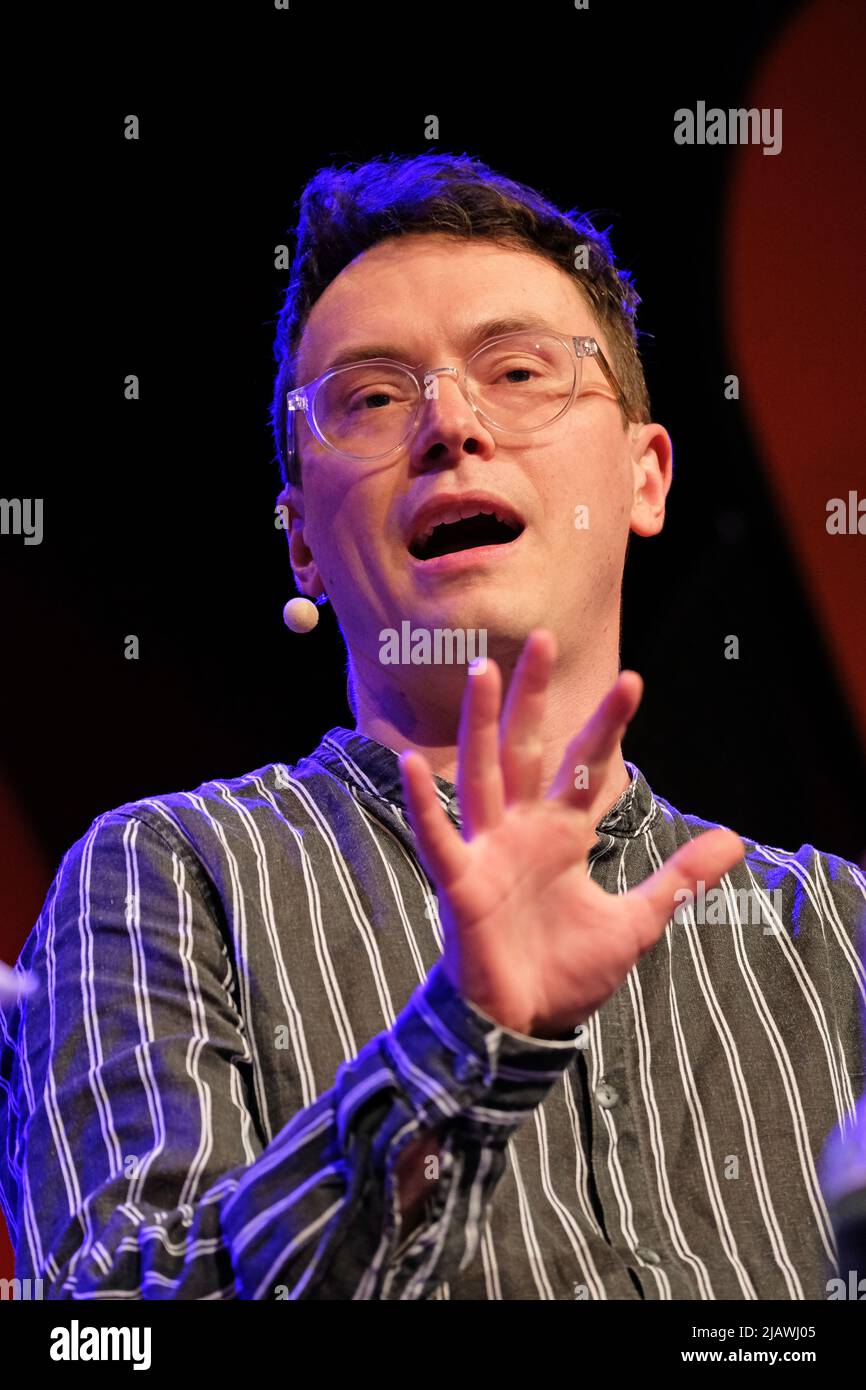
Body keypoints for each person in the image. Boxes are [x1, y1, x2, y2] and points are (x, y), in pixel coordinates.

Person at [1, 153, 863, 1301]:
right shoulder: (166, 877)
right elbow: (106, 1323)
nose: (449, 426)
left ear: (644, 476)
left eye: (516, 371)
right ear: (300, 539)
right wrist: (457, 1043)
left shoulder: (837, 935)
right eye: (368, 396)